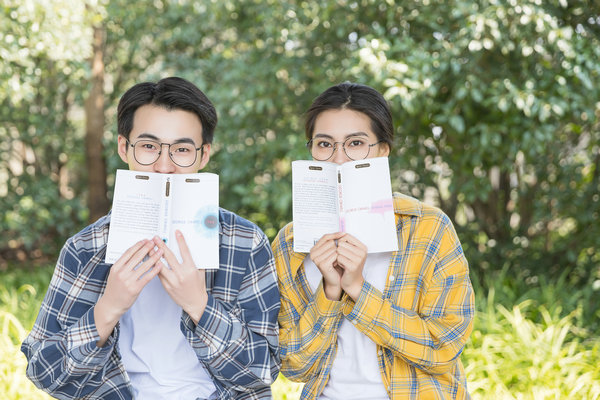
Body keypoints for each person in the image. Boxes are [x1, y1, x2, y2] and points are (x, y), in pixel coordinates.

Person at [21, 77, 280, 400]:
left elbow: (263, 372)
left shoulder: (245, 242)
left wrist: (200, 305)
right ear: (123, 148)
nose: (164, 166)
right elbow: (43, 373)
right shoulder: (85, 248)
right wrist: (108, 308)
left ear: (204, 155)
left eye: (182, 150)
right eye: (148, 147)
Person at [272, 82, 475, 399]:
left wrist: (357, 289)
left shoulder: (429, 229)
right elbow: (293, 366)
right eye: (324, 144)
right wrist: (330, 290)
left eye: (355, 143)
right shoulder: (290, 243)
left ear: (383, 150)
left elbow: (444, 347)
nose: (338, 159)